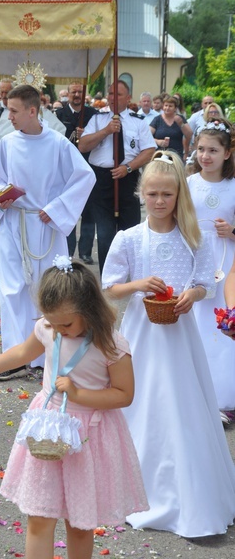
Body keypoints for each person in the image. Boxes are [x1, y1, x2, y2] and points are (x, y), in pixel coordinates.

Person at [0, 258, 148, 559]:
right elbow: (22, 352)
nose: (59, 330)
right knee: (39, 516)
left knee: (78, 524)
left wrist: (79, 393)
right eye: (53, 323)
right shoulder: (48, 328)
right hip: (47, 431)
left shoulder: (112, 345)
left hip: (87, 437)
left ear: (89, 309)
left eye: (67, 324)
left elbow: (124, 394)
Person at [102, 150, 235, 537]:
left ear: (179, 196)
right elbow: (110, 288)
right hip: (142, 335)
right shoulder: (129, 238)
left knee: (181, 405)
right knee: (141, 401)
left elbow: (205, 282)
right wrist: (139, 284)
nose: (160, 202)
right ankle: (134, 488)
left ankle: (192, 496)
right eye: (153, 194)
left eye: (168, 195)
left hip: (179, 336)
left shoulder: (192, 238)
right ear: (141, 194)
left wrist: (193, 296)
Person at [0, 84, 96, 379]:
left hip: (47, 226)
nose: (8, 116)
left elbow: (85, 177)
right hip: (15, 224)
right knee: (12, 291)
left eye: (13, 110)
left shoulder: (58, 144)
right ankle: (16, 357)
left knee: (47, 291)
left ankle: (49, 354)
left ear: (32, 111)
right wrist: (3, 195)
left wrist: (58, 208)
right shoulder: (8, 144)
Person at [78, 80, 156, 272]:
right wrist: (106, 131)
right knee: (104, 232)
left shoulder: (137, 122)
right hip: (102, 179)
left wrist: (128, 167)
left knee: (129, 229)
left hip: (127, 178)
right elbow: (83, 145)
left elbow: (149, 150)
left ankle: (129, 270)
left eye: (118, 94)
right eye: (110, 93)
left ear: (128, 98)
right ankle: (108, 274)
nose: (113, 98)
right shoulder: (98, 119)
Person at [187, 118, 235, 414]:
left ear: (227, 153)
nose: (206, 156)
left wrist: (232, 232)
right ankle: (195, 394)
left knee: (223, 325)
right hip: (196, 258)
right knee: (197, 323)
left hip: (227, 261)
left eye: (213, 150)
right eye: (201, 149)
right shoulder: (189, 183)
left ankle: (224, 394)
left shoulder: (233, 186)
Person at [55, 82, 98, 264]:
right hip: (66, 171)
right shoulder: (59, 115)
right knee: (69, 210)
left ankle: (86, 251)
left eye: (80, 92)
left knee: (89, 213)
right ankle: (68, 249)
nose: (77, 95)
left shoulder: (93, 115)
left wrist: (86, 134)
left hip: (88, 167)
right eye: (74, 92)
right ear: (68, 94)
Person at [149, 95, 192, 161]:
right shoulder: (157, 119)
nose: (167, 108)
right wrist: (158, 141)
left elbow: (189, 135)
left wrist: (181, 124)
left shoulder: (180, 118)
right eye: (166, 105)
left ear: (175, 108)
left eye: (170, 106)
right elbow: (147, 136)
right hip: (160, 155)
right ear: (163, 107)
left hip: (176, 156)